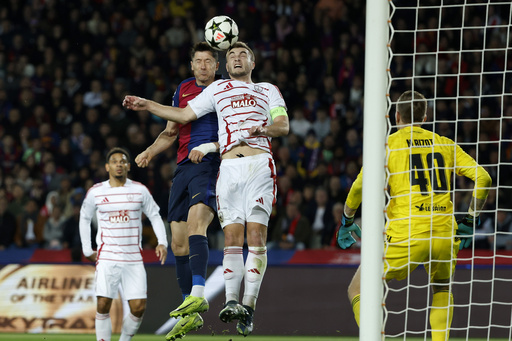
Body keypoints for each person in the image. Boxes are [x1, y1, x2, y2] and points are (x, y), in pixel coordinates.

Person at [123, 41, 289, 336]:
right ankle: (229, 302)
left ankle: (246, 306)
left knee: (254, 236)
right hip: (226, 168)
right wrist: (147, 105)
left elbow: (283, 125)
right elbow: (183, 116)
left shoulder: (268, 89)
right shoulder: (215, 91)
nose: (237, 58)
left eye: (243, 55)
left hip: (258, 164)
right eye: (232, 55)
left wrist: (263, 129)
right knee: (226, 239)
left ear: (252, 63)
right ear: (226, 65)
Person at [336, 90, 491, 341]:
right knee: (441, 288)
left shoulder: (389, 146)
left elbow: (358, 188)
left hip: (407, 233)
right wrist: (471, 219)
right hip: (443, 233)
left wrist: (347, 220)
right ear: (425, 116)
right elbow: (483, 177)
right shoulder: (444, 143)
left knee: (357, 287)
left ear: (396, 115)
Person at [134, 42, 220, 341]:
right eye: (199, 61)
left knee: (198, 226)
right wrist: (149, 151)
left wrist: (147, 104)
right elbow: (171, 131)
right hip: (183, 168)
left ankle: (198, 291)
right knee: (179, 245)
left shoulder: (224, 90)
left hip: (209, 163)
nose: (204, 66)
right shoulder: (183, 88)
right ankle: (190, 308)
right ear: (192, 65)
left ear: (216, 66)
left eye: (209, 61)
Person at [79, 147, 168, 341]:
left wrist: (162, 242)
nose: (118, 164)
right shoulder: (96, 192)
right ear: (107, 167)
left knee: (138, 307)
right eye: (114, 161)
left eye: (122, 161)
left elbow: (154, 215)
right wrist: (87, 249)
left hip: (133, 258)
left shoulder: (139, 190)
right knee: (103, 304)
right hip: (107, 256)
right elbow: (84, 217)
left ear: (128, 166)